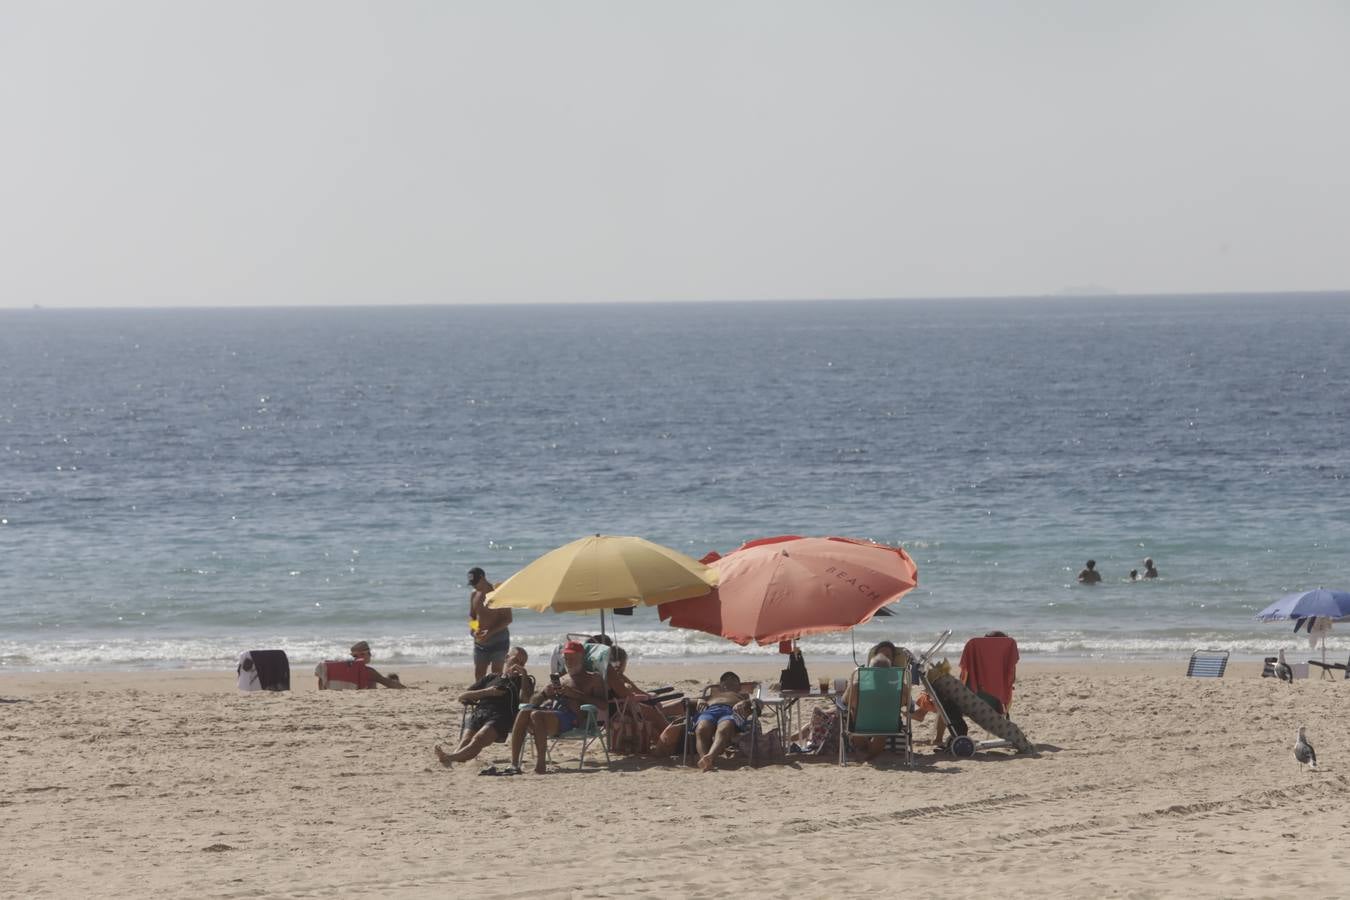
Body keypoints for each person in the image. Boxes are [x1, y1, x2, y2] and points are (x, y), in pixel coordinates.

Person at [507, 640, 604, 774]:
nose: (568, 661)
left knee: (536, 715)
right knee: (524, 711)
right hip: (551, 714)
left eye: (572, 657)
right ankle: (514, 765)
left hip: (573, 719)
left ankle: (541, 764)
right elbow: (533, 702)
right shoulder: (561, 678)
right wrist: (544, 693)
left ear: (581, 657)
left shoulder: (593, 678)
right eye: (566, 658)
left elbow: (603, 704)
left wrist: (575, 695)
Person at [434, 647, 533, 766]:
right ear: (507, 658)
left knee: (479, 739)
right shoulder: (491, 677)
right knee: (466, 740)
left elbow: (525, 700)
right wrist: (488, 692)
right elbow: (462, 696)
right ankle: (453, 757)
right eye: (516, 660)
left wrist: (524, 676)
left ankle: (449, 757)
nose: (518, 665)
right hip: (481, 712)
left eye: (522, 663)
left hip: (501, 716)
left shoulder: (524, 681)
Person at [692, 671, 755, 772]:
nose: (729, 682)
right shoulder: (713, 695)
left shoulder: (743, 696)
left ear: (739, 687)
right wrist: (698, 700)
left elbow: (756, 705)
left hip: (730, 711)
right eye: (725, 681)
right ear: (720, 686)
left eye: (733, 681)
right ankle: (705, 760)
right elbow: (686, 700)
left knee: (724, 728)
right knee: (701, 728)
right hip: (710, 711)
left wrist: (745, 702)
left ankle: (710, 757)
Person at [841, 654, 896, 761]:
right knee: (883, 724)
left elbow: (844, 701)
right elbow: (908, 705)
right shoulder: (897, 690)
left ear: (870, 671)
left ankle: (865, 752)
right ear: (889, 672)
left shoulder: (857, 686)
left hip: (860, 726)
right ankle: (870, 753)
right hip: (887, 727)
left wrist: (852, 685)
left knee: (853, 711)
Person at [468, 567, 512, 681]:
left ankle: (494, 697)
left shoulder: (498, 593)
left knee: (496, 674)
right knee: (479, 674)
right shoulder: (474, 595)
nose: (474, 586)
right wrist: (474, 630)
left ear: (483, 578)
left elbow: (508, 619)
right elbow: (472, 615)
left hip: (499, 639)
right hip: (480, 641)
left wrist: (490, 633)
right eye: (472, 583)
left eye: (475, 583)